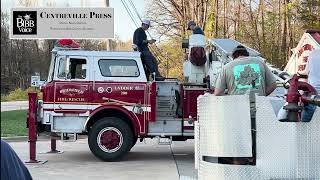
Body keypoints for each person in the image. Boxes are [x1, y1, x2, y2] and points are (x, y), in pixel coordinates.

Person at [214, 45, 277, 165]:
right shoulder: (259, 63)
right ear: (246, 54)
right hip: (260, 112)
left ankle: (240, 173)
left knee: (239, 149)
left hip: (238, 114)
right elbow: (273, 84)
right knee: (260, 150)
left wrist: (230, 98)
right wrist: (262, 95)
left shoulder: (227, 67)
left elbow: (217, 93)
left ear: (234, 57)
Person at [301, 49, 320, 122]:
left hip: (311, 97)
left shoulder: (313, 54)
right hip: (312, 98)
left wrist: (302, 94)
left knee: (305, 130)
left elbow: (305, 75)